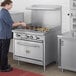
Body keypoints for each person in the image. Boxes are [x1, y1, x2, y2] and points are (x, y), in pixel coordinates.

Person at [0, 0, 26, 72]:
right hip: (5, 35)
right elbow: (11, 24)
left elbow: (8, 23)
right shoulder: (5, 13)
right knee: (4, 52)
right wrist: (21, 23)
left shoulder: (2, 11)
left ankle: (3, 65)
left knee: (2, 51)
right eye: (11, 5)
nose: (12, 6)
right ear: (7, 5)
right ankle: (3, 68)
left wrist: (17, 23)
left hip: (1, 34)